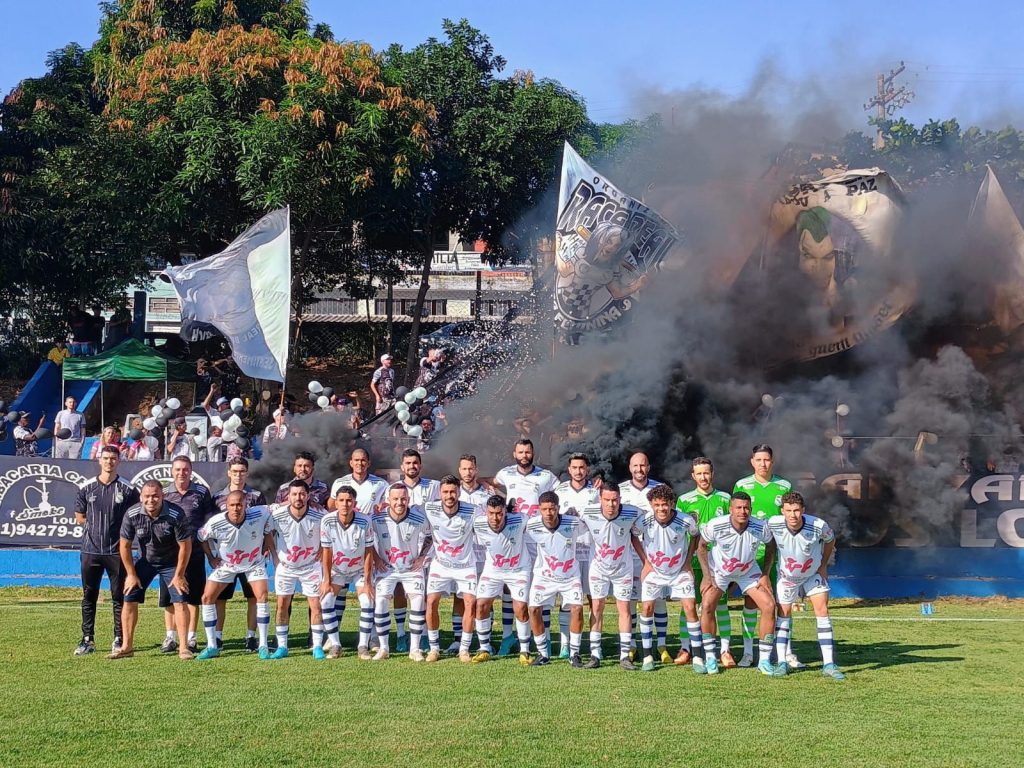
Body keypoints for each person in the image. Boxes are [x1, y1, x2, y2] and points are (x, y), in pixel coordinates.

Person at [697, 492, 778, 676]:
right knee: (707, 605)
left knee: (769, 605)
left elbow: (771, 546)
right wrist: (706, 576)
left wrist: (765, 574)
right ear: (730, 509)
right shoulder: (716, 525)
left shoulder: (760, 526)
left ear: (751, 509)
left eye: (746, 508)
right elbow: (701, 546)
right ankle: (710, 658)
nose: (743, 511)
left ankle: (764, 660)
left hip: (748, 571)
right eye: (739, 508)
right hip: (720, 572)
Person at [767, 492, 845, 680]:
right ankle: (782, 663)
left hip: (812, 575)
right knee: (783, 615)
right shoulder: (773, 524)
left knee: (822, 611)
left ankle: (829, 664)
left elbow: (830, 540)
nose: (792, 515)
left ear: (803, 510)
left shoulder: (818, 525)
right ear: (782, 511)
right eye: (788, 511)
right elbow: (765, 540)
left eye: (796, 510)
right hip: (787, 577)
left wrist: (823, 565)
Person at [113, 480, 193, 660]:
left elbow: (185, 546)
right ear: (141, 497)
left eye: (155, 496)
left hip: (171, 563)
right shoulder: (132, 513)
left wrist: (179, 575)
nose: (151, 500)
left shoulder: (176, 513)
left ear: (162, 496)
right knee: (129, 598)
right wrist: (131, 575)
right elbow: (124, 546)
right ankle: (127, 647)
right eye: (147, 496)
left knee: (180, 600)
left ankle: (184, 648)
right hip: (145, 562)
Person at [733, 444, 797, 668]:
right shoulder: (742, 485)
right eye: (758, 460)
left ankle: (786, 652)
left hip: (780, 553)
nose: (763, 464)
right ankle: (748, 652)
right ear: (752, 462)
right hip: (752, 555)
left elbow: (790, 517)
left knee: (783, 602)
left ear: (772, 461)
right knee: (751, 601)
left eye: (766, 460)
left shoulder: (784, 486)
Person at [73, 445, 140, 656]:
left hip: (116, 552)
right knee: (89, 595)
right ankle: (87, 639)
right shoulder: (86, 487)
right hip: (90, 551)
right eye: (105, 458)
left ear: (118, 461)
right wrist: (95, 529)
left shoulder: (128, 489)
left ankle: (119, 638)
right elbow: (80, 516)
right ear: (99, 460)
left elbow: (135, 516)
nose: (109, 462)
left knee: (118, 597)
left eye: (113, 458)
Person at [493, 439, 559, 652]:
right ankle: (507, 636)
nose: (524, 455)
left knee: (541, 586)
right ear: (514, 454)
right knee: (509, 586)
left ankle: (544, 637)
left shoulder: (546, 476)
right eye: (520, 452)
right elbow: (491, 484)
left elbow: (561, 493)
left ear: (533, 453)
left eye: (527, 452)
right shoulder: (505, 473)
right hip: (514, 538)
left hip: (537, 539)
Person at [195, 491, 274, 660]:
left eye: (239, 504)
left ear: (246, 505)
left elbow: (281, 506)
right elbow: (201, 537)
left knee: (262, 596)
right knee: (207, 598)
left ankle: (263, 645)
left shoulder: (260, 512)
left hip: (254, 564)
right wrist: (211, 557)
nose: (236, 508)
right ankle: (212, 646)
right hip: (227, 565)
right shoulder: (216, 522)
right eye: (232, 505)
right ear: (226, 506)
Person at [637, 484, 703, 673]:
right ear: (651, 504)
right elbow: (633, 537)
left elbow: (696, 536)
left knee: (690, 608)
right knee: (647, 608)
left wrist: (688, 562)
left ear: (672, 504)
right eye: (657, 505)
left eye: (665, 504)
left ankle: (698, 657)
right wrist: (646, 562)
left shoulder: (685, 520)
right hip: (654, 572)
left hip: (679, 572)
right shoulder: (644, 521)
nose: (661, 509)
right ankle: (647, 656)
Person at [676, 457, 733, 666]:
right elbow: (679, 532)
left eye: (706, 473)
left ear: (712, 474)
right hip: (692, 560)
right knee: (688, 604)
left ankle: (725, 650)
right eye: (699, 473)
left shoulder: (725, 499)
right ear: (693, 476)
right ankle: (686, 647)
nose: (703, 477)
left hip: (718, 562)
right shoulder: (684, 500)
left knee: (720, 605)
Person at [579, 485, 642, 670]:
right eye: (607, 500)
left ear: (620, 499)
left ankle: (625, 656)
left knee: (624, 608)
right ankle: (595, 654)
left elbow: (650, 519)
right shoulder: (587, 512)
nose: (611, 504)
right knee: (597, 607)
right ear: (600, 499)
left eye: (615, 500)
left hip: (623, 569)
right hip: (598, 568)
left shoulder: (633, 512)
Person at [368, 484, 432, 661]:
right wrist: (376, 558)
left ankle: (415, 649)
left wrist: (422, 557)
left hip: (411, 569)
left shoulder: (419, 519)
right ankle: (384, 648)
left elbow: (430, 535)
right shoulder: (376, 518)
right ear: (388, 500)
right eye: (395, 499)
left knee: (418, 602)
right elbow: (366, 538)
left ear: (408, 500)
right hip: (386, 569)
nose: (399, 502)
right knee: (381, 602)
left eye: (403, 499)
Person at [265, 479, 326, 659]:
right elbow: (267, 533)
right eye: (294, 494)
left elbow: (330, 534)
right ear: (288, 496)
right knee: (282, 604)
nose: (298, 497)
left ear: (308, 496)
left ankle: (317, 646)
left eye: (301, 494)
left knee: (316, 605)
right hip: (286, 567)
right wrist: (275, 556)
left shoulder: (320, 515)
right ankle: (282, 646)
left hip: (311, 566)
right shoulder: (277, 515)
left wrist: (322, 550)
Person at [160, 457, 215, 655]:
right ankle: (170, 637)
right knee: (169, 597)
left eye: (185, 469)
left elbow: (209, 521)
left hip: (195, 551)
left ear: (191, 471)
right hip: (170, 553)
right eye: (177, 469)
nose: (181, 473)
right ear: (172, 471)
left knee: (193, 597)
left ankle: (191, 637)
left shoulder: (201, 492)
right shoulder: (165, 492)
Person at [525, 491, 585, 667]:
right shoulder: (532, 525)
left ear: (558, 508)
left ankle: (574, 654)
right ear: (539, 509)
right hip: (544, 577)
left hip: (570, 576)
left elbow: (593, 526)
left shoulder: (573, 523)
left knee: (577, 609)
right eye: (544, 509)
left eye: (552, 509)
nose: (548, 513)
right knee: (533, 609)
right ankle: (543, 653)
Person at [212, 458, 266, 652]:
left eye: (242, 471)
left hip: (251, 558)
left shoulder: (256, 496)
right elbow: (211, 526)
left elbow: (265, 524)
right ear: (229, 473)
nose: (238, 475)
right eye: (235, 471)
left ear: (247, 473)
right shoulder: (218, 496)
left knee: (253, 597)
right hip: (227, 558)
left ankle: (251, 636)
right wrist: (213, 554)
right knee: (220, 598)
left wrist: (264, 548)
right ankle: (217, 637)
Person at [618, 452, 668, 662]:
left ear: (648, 467)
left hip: (655, 555)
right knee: (629, 600)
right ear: (630, 467)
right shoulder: (620, 490)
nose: (639, 469)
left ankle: (662, 645)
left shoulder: (659, 489)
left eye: (643, 465)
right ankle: (631, 645)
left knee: (658, 600)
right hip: (628, 555)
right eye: (635, 466)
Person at [471, 495, 532, 664]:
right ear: (486, 512)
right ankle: (485, 648)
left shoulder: (520, 520)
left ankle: (525, 651)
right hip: (493, 570)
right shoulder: (478, 523)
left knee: (520, 607)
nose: (495, 518)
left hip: (518, 570)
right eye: (491, 513)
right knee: (481, 605)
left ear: (505, 511)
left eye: (499, 513)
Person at [423, 476, 478, 663]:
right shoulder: (429, 508)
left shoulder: (473, 510)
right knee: (431, 602)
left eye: (453, 491)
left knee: (470, 603)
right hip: (441, 565)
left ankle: (464, 649)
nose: (449, 496)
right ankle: (434, 648)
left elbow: (491, 518)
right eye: (445, 492)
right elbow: (407, 511)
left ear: (459, 492)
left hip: (465, 566)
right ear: (440, 493)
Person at [318, 485, 376, 659]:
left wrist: (367, 582)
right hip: (338, 570)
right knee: (326, 601)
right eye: (341, 500)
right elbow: (326, 552)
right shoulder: (327, 521)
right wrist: (326, 580)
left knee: (367, 602)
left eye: (349, 500)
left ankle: (363, 646)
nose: (345, 504)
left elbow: (369, 552)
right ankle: (335, 644)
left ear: (355, 503)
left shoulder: (365, 521)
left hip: (359, 569)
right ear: (335, 502)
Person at [555, 453, 598, 660]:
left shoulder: (596, 491)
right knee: (568, 600)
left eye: (582, 467)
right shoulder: (560, 491)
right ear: (569, 469)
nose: (578, 471)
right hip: (568, 553)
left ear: (587, 469)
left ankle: (593, 643)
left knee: (594, 598)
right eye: (575, 467)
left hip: (590, 552)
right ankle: (565, 644)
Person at [329, 448, 389, 515]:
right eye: (356, 460)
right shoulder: (339, 483)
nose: (359, 463)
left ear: (368, 463)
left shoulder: (381, 484)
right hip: (348, 521)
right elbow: (331, 507)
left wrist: (382, 506)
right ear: (351, 463)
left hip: (371, 521)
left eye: (363, 460)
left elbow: (388, 505)